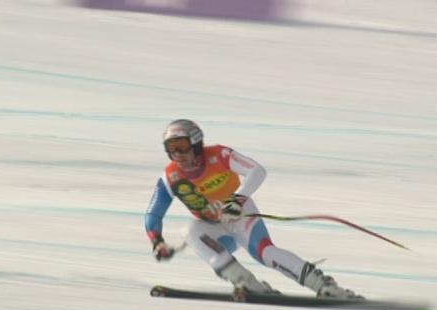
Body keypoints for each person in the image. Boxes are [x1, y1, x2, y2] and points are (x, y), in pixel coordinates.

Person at [144, 119, 362, 299]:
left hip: (240, 215)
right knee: (189, 231)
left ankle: (324, 286)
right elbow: (153, 214)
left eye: (182, 147)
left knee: (264, 253)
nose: (178, 155)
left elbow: (257, 170)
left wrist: (238, 199)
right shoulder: (170, 177)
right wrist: (157, 241)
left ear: (197, 144)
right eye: (171, 150)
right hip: (214, 229)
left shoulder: (219, 155)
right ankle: (246, 283)